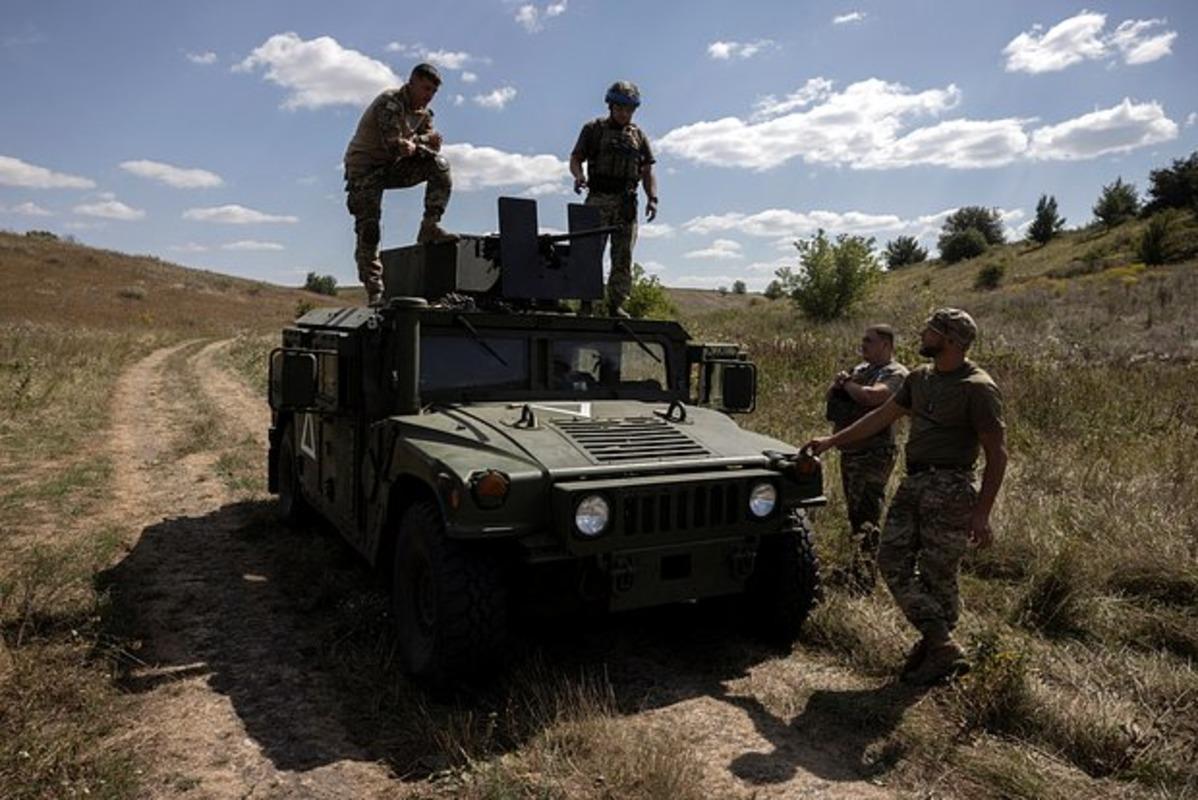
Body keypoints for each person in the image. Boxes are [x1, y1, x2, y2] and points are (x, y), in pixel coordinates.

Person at [804, 309, 1007, 685]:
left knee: (939, 576)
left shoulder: (977, 387)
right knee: (890, 559)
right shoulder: (919, 378)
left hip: (952, 489)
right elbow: (880, 417)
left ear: (950, 340)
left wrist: (982, 514)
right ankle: (941, 643)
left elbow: (997, 454)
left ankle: (936, 650)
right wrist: (832, 441)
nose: (921, 335)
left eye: (929, 331)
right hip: (914, 483)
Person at [344, 62, 457, 304]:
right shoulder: (390, 102)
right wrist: (420, 142)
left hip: (392, 168)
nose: (428, 97)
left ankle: (430, 226)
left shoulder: (424, 115)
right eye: (425, 89)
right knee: (369, 230)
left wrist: (418, 144)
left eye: (433, 92)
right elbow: (394, 145)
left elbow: (427, 150)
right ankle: (375, 292)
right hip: (364, 171)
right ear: (411, 82)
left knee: (439, 165)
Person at [825, 324, 908, 591]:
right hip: (851, 450)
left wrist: (847, 384)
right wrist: (840, 384)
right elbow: (834, 395)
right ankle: (857, 567)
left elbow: (873, 398)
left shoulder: (896, 374)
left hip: (874, 452)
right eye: (863, 339)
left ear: (886, 345)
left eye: (869, 341)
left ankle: (866, 576)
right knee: (855, 512)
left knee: (868, 514)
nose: (863, 345)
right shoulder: (860, 370)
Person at [569, 81, 658, 317]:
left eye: (629, 110)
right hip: (598, 198)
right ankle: (586, 303)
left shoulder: (638, 135)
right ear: (611, 106)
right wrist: (578, 177)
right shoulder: (593, 129)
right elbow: (576, 158)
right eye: (620, 108)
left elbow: (647, 171)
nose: (624, 114)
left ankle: (616, 304)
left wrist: (653, 198)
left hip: (626, 202)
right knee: (590, 252)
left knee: (623, 256)